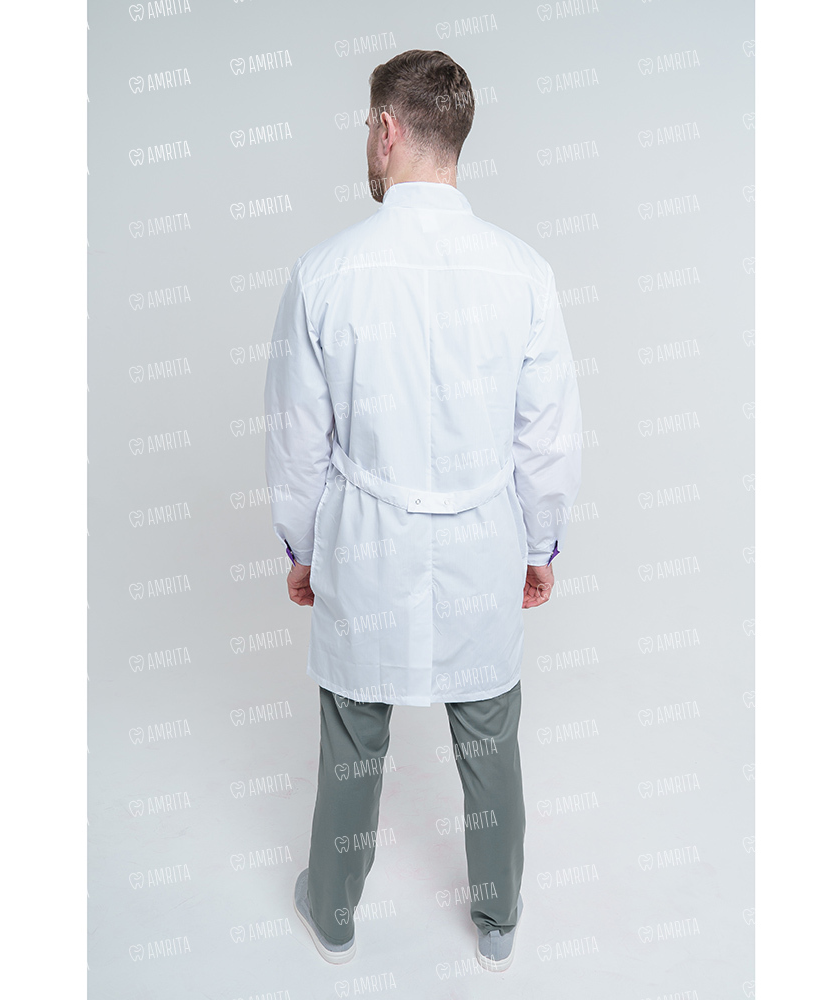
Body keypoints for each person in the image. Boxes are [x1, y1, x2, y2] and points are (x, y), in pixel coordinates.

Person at [264, 49, 583, 972]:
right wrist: (539, 543)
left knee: (353, 730)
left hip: (364, 539)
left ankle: (332, 912)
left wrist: (302, 545)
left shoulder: (325, 271)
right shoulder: (524, 271)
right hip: (484, 537)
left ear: (387, 129)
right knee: (488, 733)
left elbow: (296, 435)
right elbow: (548, 435)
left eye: (368, 125)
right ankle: (499, 917)